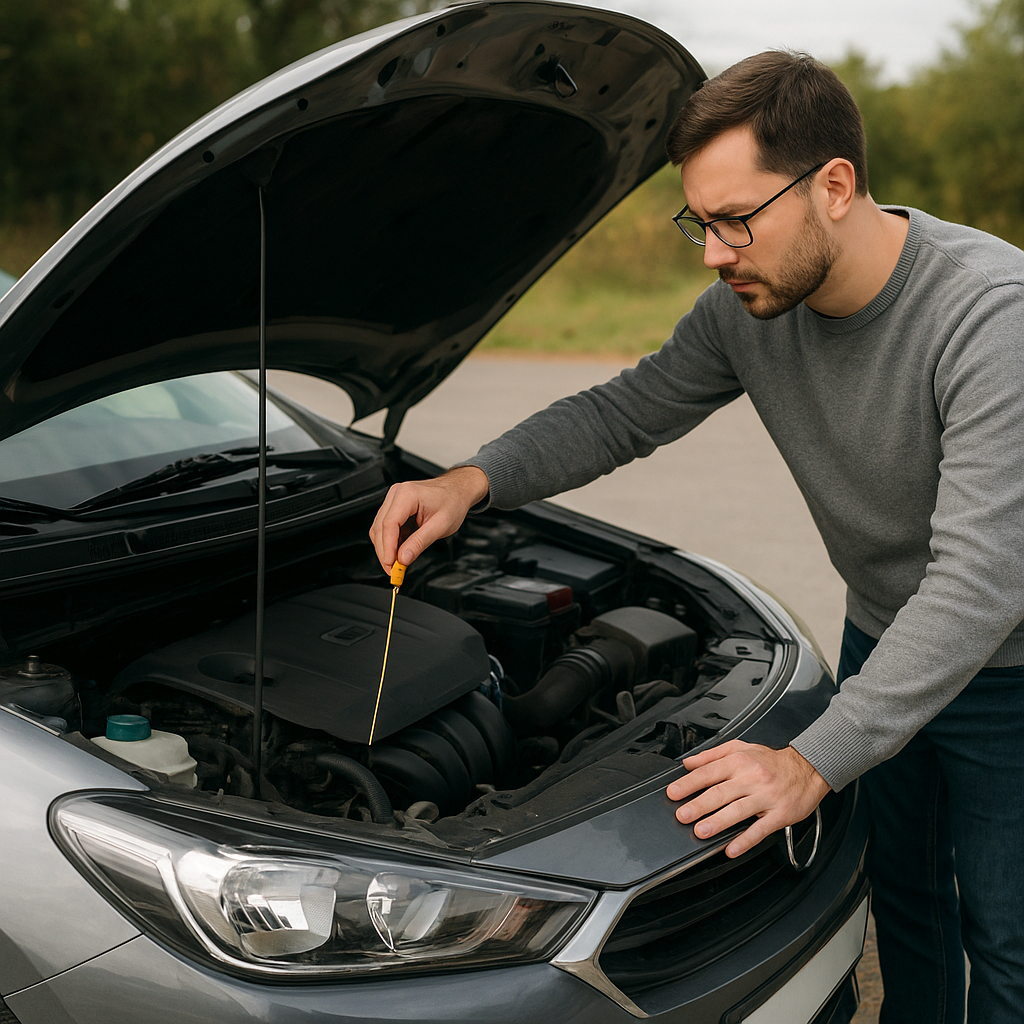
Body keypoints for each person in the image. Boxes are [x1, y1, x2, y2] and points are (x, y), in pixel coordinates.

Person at [369, 51, 1024, 1023]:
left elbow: (978, 580)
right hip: (884, 630)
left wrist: (812, 759)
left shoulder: (991, 317)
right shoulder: (746, 311)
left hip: (1007, 669)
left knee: (1005, 938)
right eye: (698, 223)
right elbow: (622, 411)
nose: (713, 254)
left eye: (734, 220)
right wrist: (474, 479)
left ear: (833, 185)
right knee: (909, 900)